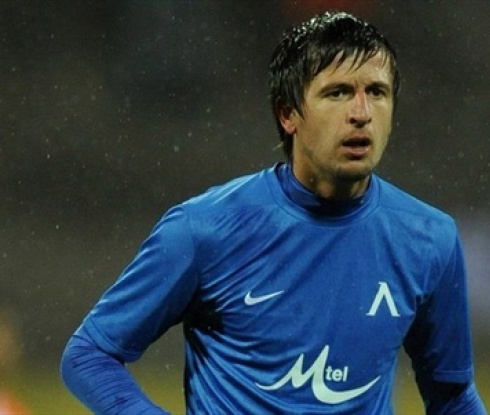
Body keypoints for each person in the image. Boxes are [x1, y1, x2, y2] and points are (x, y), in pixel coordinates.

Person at [60, 11, 487, 414]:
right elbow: (89, 354)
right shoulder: (204, 230)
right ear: (288, 114)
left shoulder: (429, 238)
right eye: (337, 93)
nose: (361, 114)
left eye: (376, 92)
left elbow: (451, 395)